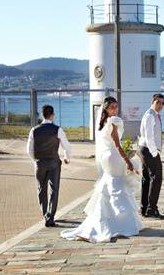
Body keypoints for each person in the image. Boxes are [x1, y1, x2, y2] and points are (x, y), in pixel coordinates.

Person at [60, 96, 143, 242]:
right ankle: (121, 224)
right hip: (113, 156)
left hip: (106, 157)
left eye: (116, 106)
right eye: (112, 107)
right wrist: (128, 161)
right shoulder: (113, 121)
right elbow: (117, 145)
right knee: (117, 184)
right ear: (105, 108)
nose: (115, 109)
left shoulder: (102, 122)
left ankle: (105, 219)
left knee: (109, 184)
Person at [27, 104, 71, 227]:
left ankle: (45, 214)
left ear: (42, 115)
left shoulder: (34, 130)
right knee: (54, 189)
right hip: (53, 163)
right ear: (52, 115)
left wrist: (35, 160)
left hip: (39, 163)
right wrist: (66, 157)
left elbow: (29, 150)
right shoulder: (58, 129)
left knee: (41, 189)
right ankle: (50, 217)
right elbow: (67, 146)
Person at [137, 93, 164, 219]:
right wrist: (155, 153)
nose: (160, 105)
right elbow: (149, 136)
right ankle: (151, 209)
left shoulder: (153, 114)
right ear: (153, 102)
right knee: (157, 178)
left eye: (162, 103)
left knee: (147, 179)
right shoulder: (150, 115)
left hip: (145, 149)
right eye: (158, 102)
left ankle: (144, 208)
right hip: (149, 150)